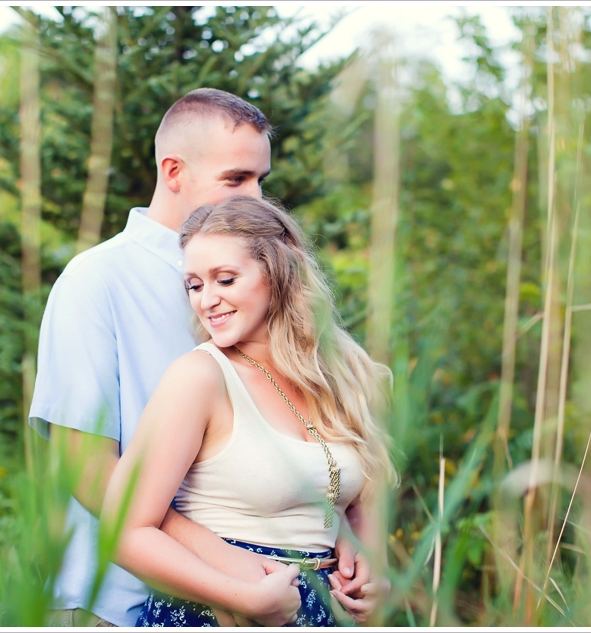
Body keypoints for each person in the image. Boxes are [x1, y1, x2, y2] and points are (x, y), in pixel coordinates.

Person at [28, 89, 375, 627]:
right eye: (236, 180)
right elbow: (89, 471)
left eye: (262, 180)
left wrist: (345, 536)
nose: (257, 198)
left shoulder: (264, 278)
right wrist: (227, 561)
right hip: (116, 600)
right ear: (173, 171)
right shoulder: (95, 281)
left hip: (270, 595)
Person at [102, 195, 395, 627]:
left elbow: (356, 502)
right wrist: (242, 597)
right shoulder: (200, 376)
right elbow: (122, 532)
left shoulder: (346, 375)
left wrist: (372, 566)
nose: (207, 300)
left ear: (279, 272)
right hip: (217, 612)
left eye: (225, 279)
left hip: (323, 612)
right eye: (195, 285)